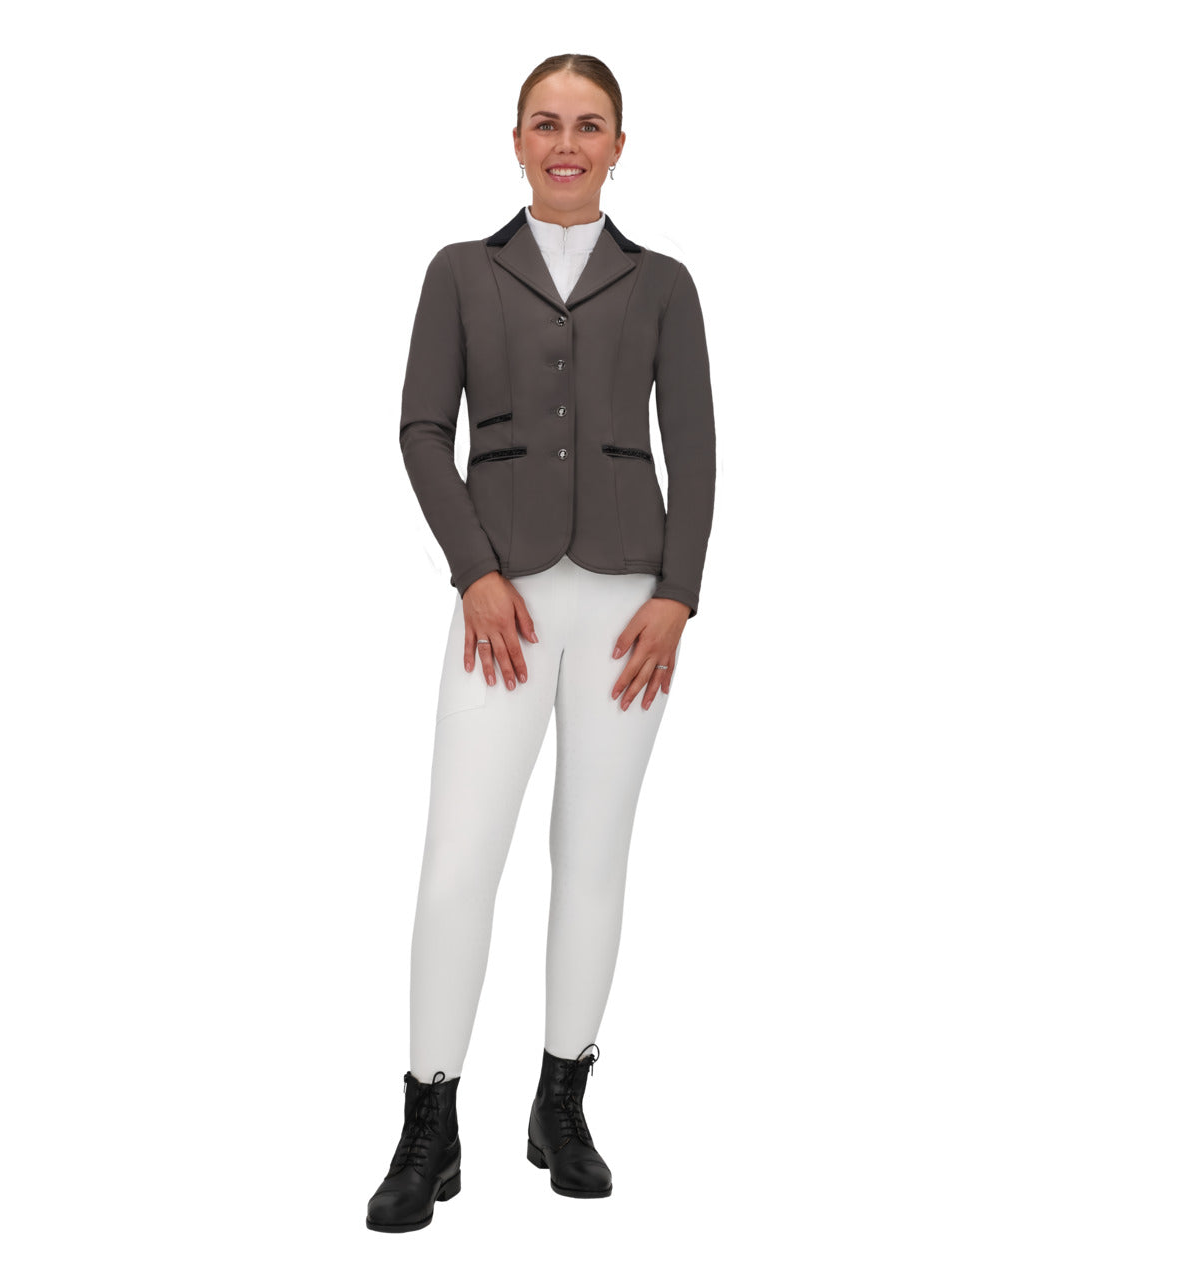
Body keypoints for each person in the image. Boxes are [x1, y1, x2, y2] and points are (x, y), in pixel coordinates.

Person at [366, 52, 716, 1232]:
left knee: (592, 854)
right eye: (546, 123)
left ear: (618, 145)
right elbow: (421, 429)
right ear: (515, 139)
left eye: (589, 125)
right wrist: (472, 570)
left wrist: (677, 593)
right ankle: (428, 1121)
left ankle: (560, 1102)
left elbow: (694, 446)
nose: (567, 143)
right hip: (501, 604)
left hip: (628, 611)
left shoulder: (662, 284)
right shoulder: (461, 272)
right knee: (459, 859)